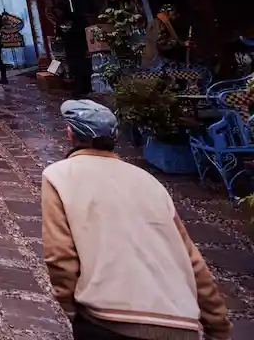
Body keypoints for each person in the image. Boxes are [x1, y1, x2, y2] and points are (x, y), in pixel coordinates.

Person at [42, 100, 231, 340]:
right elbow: (192, 260)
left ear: (70, 133)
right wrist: (218, 327)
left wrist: (71, 310)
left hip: (108, 320)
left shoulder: (59, 176)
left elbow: (60, 256)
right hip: (180, 323)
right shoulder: (149, 181)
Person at [51, 4, 92, 97]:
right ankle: (78, 87)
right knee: (73, 68)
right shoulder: (60, 21)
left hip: (80, 45)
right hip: (69, 48)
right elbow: (59, 34)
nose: (58, 13)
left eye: (59, 11)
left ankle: (86, 87)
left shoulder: (76, 19)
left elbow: (83, 30)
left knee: (83, 67)